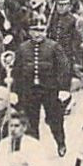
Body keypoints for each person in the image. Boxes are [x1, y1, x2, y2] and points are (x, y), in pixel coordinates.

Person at [13, 19, 72, 156]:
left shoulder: (54, 47)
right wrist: (16, 91)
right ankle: (35, 148)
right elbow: (17, 71)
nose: (38, 34)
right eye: (35, 30)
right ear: (29, 32)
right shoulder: (23, 48)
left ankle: (60, 143)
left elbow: (64, 68)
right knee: (31, 121)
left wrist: (63, 89)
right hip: (29, 90)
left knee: (55, 119)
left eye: (41, 30)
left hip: (49, 90)